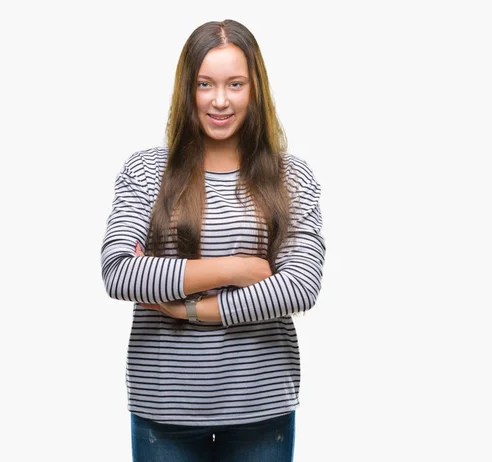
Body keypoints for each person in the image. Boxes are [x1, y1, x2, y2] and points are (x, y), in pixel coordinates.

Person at [100, 19, 326, 462]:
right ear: (188, 90)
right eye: (205, 84)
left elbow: (300, 285)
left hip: (261, 404)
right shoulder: (148, 171)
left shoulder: (291, 177)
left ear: (254, 89)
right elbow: (119, 272)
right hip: (165, 408)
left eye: (235, 84)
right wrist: (240, 269)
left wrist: (189, 307)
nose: (220, 100)